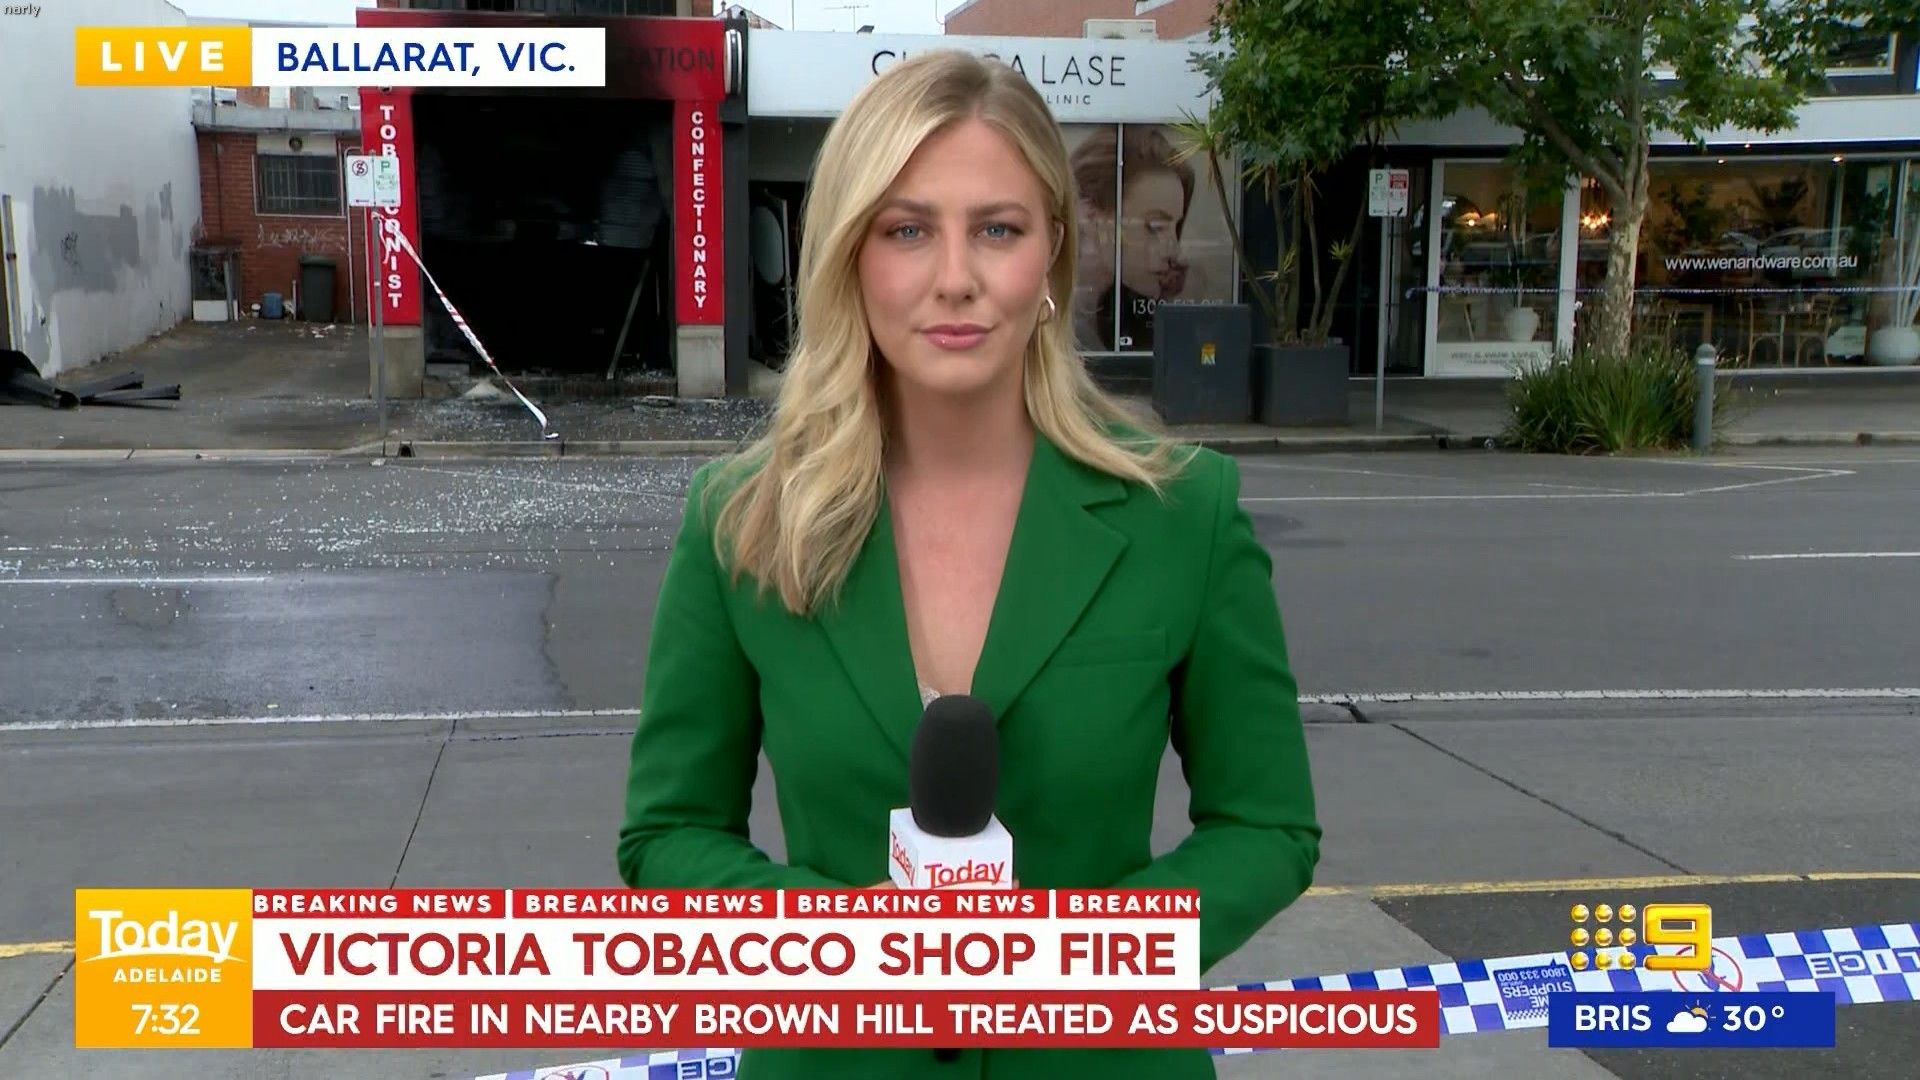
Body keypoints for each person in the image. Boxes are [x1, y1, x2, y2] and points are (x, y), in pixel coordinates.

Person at [616, 49, 1320, 1079]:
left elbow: (1267, 826)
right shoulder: (741, 521)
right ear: (851, 254)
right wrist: (841, 946)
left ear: (1053, 253)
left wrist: (1078, 959)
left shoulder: (1184, 513)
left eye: (998, 229)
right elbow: (668, 833)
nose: (956, 277)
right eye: (907, 230)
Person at [1068, 125, 1198, 352]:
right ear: (1089, 216)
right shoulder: (1050, 324)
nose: (1173, 251)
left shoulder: (1135, 322)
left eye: (1175, 227)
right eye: (1155, 227)